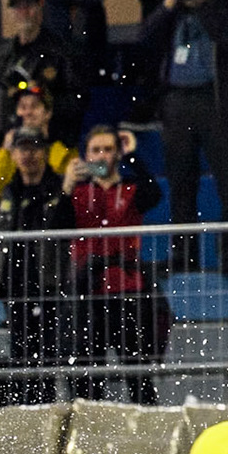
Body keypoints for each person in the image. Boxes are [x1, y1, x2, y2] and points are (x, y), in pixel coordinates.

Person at [139, 0, 228, 275]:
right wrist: (168, 4)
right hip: (176, 102)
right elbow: (145, 39)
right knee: (180, 184)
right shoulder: (174, 11)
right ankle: (183, 254)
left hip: (216, 102)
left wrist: (203, 5)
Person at [64, 125, 165, 404]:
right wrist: (66, 185)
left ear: (117, 154)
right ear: (86, 155)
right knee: (87, 379)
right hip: (87, 293)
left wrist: (132, 155)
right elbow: (56, 223)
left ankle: (147, 426)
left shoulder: (132, 188)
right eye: (95, 150)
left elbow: (155, 194)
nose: (101, 156)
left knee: (138, 375)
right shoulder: (77, 192)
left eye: (108, 149)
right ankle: (89, 429)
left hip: (128, 291)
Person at [0, 126, 72, 406]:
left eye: (34, 148)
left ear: (45, 152)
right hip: (15, 285)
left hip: (49, 284)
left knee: (48, 354)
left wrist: (64, 194)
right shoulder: (9, 192)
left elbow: (64, 223)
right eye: (22, 148)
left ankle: (47, 408)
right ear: (13, 154)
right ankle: (25, 409)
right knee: (21, 354)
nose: (28, 155)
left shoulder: (57, 188)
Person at [0, 0, 84, 149]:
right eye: (18, 8)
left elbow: (78, 101)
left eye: (28, 6)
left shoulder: (61, 53)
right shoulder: (2, 58)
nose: (24, 13)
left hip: (50, 145)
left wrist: (42, 100)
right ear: (11, 13)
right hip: (9, 147)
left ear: (39, 8)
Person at [0, 81, 73, 202]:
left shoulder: (64, 154)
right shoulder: (9, 153)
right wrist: (6, 151)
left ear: (48, 113)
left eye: (34, 106)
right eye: (23, 107)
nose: (28, 112)